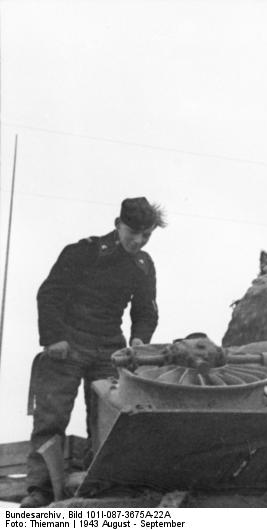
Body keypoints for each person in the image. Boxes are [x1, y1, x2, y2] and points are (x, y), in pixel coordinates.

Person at [21, 197, 166, 507]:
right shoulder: (83, 251)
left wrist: (139, 341)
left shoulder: (143, 265)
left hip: (109, 349)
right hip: (68, 345)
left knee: (109, 419)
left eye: (146, 236)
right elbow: (50, 295)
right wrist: (54, 337)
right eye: (133, 233)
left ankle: (99, 486)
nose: (138, 241)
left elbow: (146, 311)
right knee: (51, 417)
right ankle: (40, 489)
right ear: (118, 224)